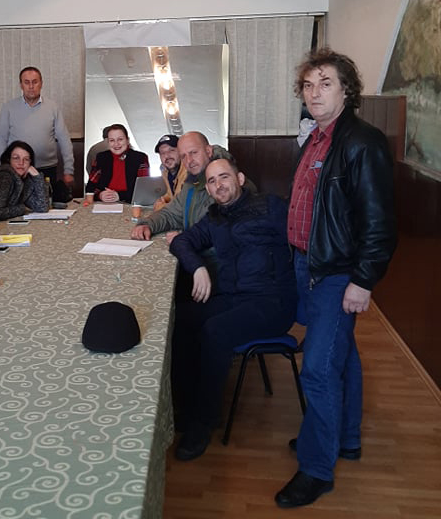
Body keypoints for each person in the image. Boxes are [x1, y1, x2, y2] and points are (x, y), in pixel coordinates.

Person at [275, 48, 396, 509]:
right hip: (309, 265)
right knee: (341, 354)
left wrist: (363, 281)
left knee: (319, 370)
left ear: (347, 90)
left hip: (336, 272)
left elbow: (380, 223)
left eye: (325, 83)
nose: (315, 93)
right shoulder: (316, 138)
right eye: (308, 85)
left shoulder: (362, 142)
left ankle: (316, 469)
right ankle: (344, 437)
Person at [168, 157, 297, 461]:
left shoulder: (271, 207)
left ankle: (205, 421)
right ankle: (184, 408)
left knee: (215, 331)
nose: (218, 185)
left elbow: (307, 238)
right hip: (234, 298)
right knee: (179, 319)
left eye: (224, 177)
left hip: (272, 302)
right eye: (212, 181)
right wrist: (198, 267)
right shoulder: (214, 218)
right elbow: (182, 242)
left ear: (239, 179)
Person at [130, 131, 239, 245]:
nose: (189, 161)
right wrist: (147, 224)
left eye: (194, 153)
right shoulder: (191, 183)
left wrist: (188, 237)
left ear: (208, 151)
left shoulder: (228, 185)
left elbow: (228, 233)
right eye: (184, 156)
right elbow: (171, 214)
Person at [0, 66, 75, 196]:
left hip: (47, 168)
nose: (31, 86)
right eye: (27, 82)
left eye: (35, 82)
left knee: (46, 203)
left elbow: (64, 139)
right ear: (21, 85)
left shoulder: (52, 107)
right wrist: (4, 168)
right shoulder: (8, 108)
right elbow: (1, 139)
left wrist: (68, 170)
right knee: (19, 204)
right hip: (18, 169)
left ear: (41, 83)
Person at [85, 123, 150, 203]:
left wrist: (119, 196)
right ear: (108, 142)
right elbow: (91, 186)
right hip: (104, 204)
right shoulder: (101, 157)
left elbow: (144, 190)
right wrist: (100, 195)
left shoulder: (140, 158)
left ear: (127, 140)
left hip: (130, 204)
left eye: (120, 139)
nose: (116, 144)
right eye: (112, 140)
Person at [0, 141, 50, 221]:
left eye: (26, 159)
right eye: (16, 158)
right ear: (8, 160)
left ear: (30, 162)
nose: (21, 163)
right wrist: (22, 208)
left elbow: (42, 207)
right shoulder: (3, 177)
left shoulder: (25, 179)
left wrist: (37, 177)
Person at [152, 134, 187, 210]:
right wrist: (161, 200)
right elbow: (170, 195)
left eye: (171, 150)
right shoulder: (166, 172)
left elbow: (186, 206)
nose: (167, 156)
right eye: (162, 153)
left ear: (181, 151)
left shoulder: (189, 172)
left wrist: (163, 207)